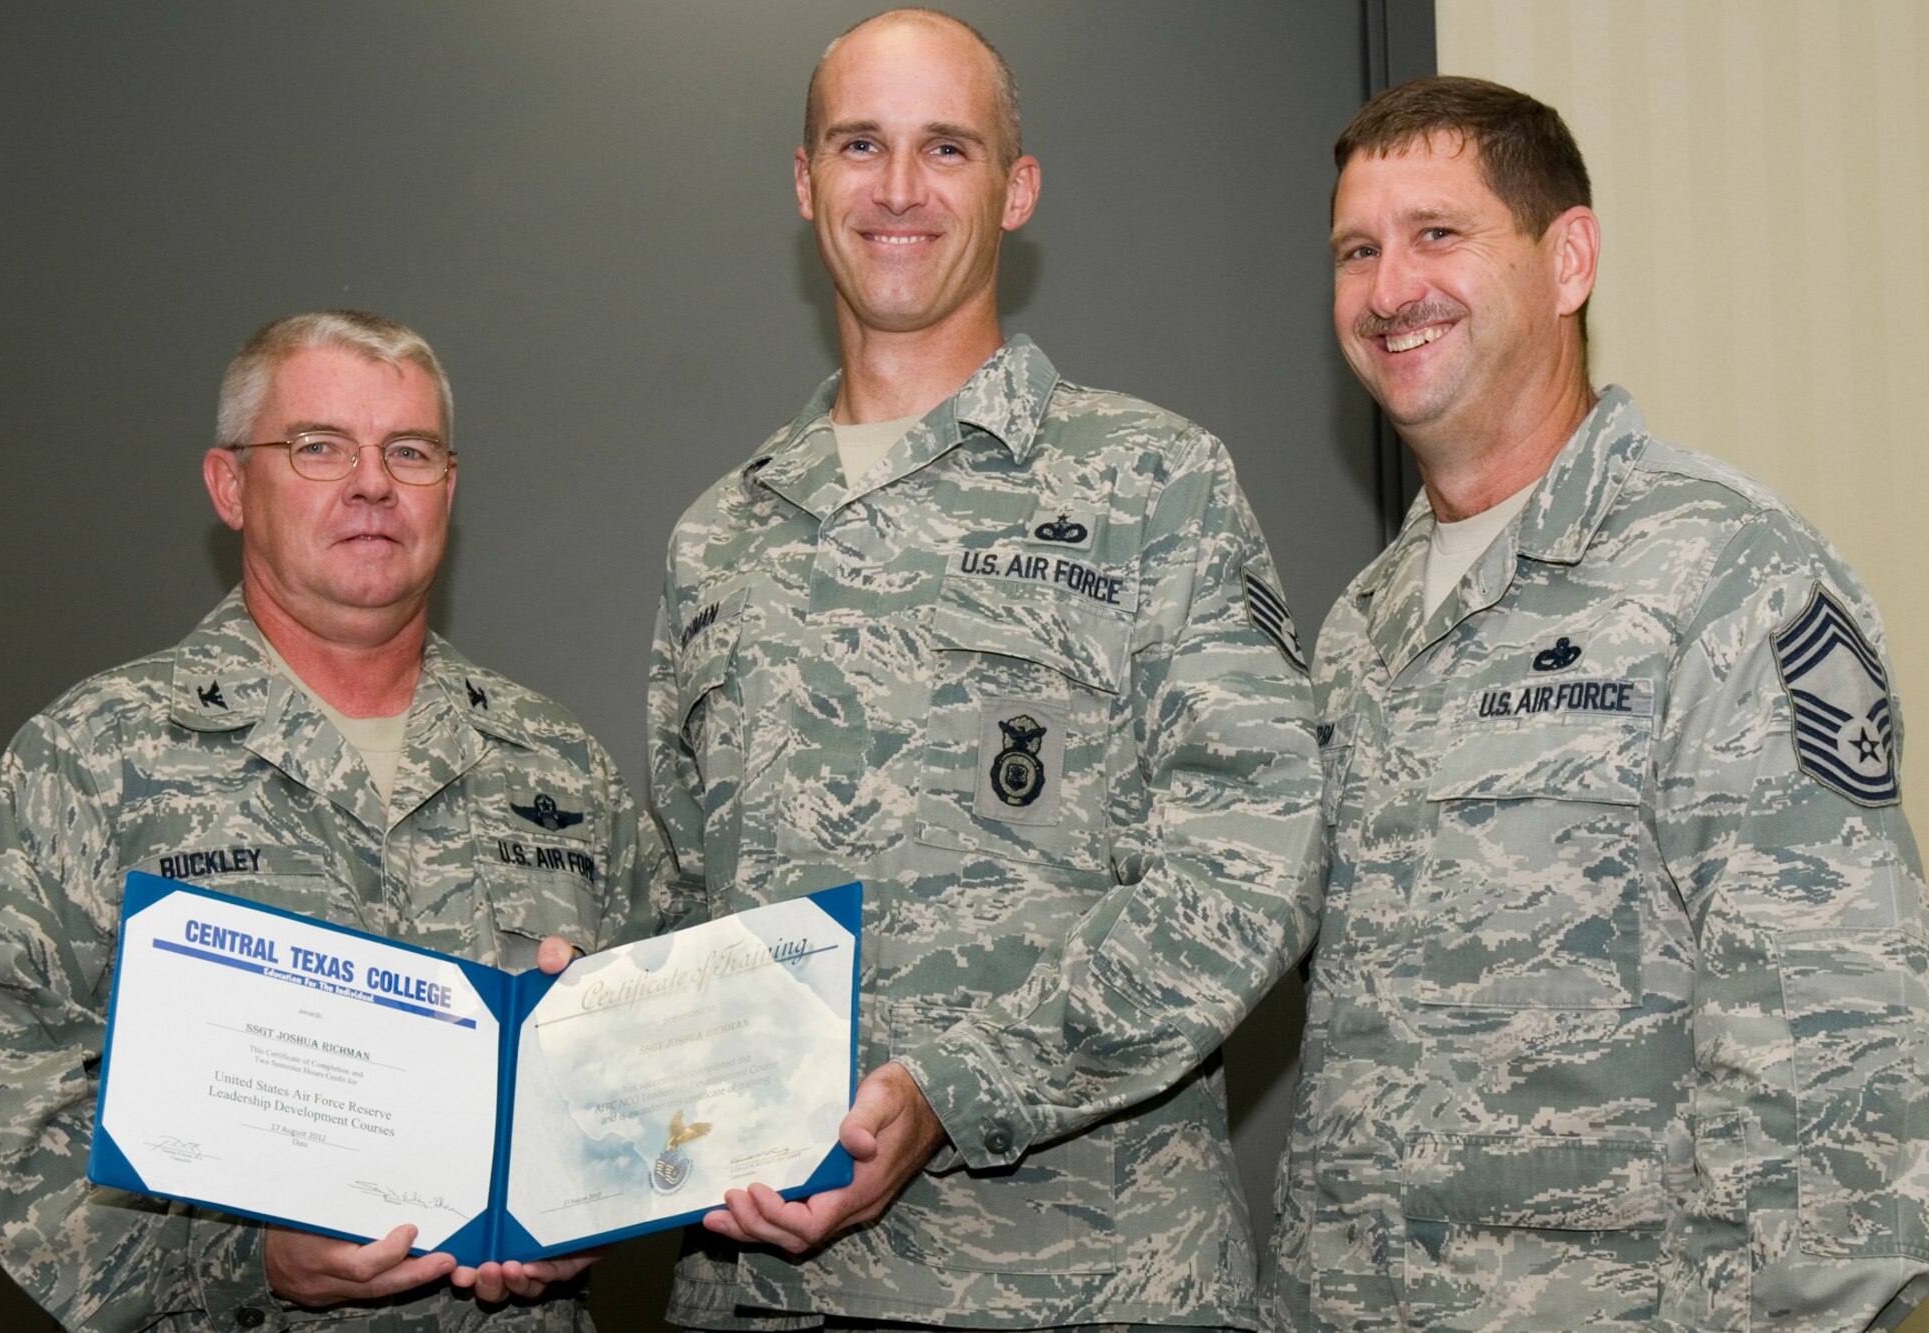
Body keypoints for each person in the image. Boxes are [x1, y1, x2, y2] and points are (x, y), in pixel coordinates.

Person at [645, 9, 1324, 1331]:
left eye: (945, 149)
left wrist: (964, 1084)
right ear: (805, 182)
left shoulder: (1155, 488)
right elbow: (691, 904)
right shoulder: (717, 539)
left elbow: (1252, 869)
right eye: (860, 145)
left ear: (1015, 190)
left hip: (1079, 1289)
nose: (898, 190)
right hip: (759, 1293)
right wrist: (613, 1049)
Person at [1261, 76, 1929, 1330]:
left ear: (1566, 259)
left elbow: (1838, 1055)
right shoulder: (1360, 628)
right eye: (1357, 249)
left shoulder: (1727, 573)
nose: (1388, 286)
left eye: (1437, 234)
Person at [0, 311, 661, 1331]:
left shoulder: (559, 764)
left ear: (448, 487)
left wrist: (594, 1200)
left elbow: (660, 1061)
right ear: (231, 486)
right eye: (319, 446)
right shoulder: (93, 756)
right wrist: (237, 1257)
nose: (372, 483)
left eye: (409, 451)